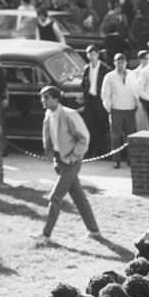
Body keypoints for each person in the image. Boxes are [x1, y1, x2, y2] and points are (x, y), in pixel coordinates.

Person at [36, 85, 101, 246]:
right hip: (60, 161)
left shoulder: (69, 114)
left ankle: (45, 235)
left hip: (71, 162)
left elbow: (84, 137)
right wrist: (53, 156)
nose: (42, 101)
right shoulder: (48, 114)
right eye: (42, 97)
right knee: (79, 197)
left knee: (55, 197)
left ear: (56, 98)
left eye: (46, 97)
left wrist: (73, 157)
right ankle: (94, 231)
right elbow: (50, 138)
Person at [100, 52, 139, 167]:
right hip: (116, 109)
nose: (120, 64)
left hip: (130, 109)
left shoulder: (132, 74)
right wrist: (109, 108)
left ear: (126, 62)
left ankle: (131, 159)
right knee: (115, 137)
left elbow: (136, 90)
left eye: (122, 61)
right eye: (118, 61)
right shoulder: (109, 76)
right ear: (114, 63)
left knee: (130, 136)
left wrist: (136, 104)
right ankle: (116, 160)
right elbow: (105, 94)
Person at [80, 46, 109, 157]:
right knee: (89, 124)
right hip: (90, 100)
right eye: (89, 54)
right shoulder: (87, 68)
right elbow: (84, 84)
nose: (92, 57)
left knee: (101, 125)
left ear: (98, 54)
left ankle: (102, 151)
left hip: (100, 99)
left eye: (94, 54)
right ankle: (91, 149)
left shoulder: (105, 68)